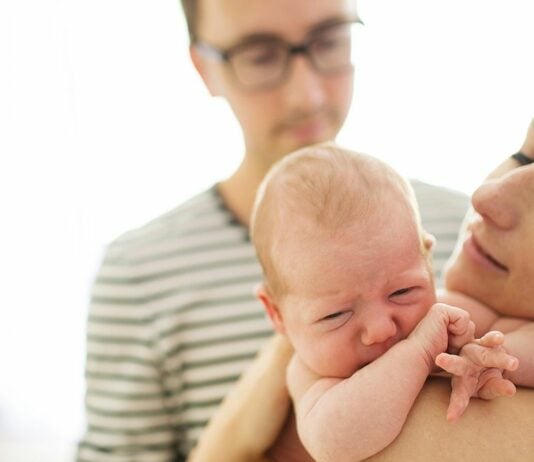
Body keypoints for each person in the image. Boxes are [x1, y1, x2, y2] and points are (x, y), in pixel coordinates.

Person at [76, 1, 470, 460]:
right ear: (204, 68)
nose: (307, 94)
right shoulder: (138, 274)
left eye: (329, 40)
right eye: (260, 56)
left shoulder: (468, 228)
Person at [190, 121, 534, 462]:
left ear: (427, 259)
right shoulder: (314, 373)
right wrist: (418, 352)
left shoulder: (451, 311)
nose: (381, 328)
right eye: (335, 314)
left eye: (403, 291)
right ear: (276, 315)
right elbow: (337, 443)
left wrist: (495, 357)